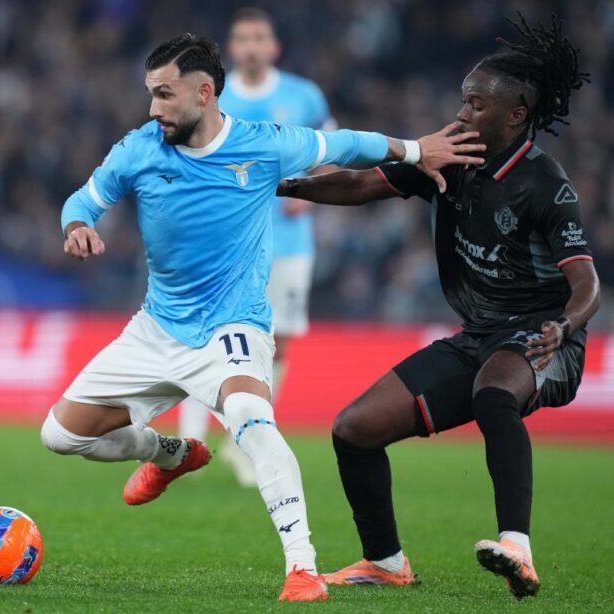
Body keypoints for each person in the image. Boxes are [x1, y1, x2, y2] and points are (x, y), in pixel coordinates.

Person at [40, 32, 484, 602]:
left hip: (233, 326)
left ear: (204, 93)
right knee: (59, 434)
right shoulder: (139, 148)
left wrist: (417, 151)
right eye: (150, 94)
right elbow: (84, 199)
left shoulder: (263, 144)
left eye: (164, 95)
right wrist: (77, 226)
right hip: (156, 327)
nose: (153, 108)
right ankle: (169, 453)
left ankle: (302, 568)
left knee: (251, 413)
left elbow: (346, 145)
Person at [276, 14, 599, 600]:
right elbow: (357, 186)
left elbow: (587, 286)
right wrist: (280, 184)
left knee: (494, 393)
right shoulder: (448, 158)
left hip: (543, 339)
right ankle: (385, 560)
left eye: (476, 105)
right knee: (353, 429)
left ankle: (518, 549)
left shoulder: (545, 184)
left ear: (515, 115)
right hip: (479, 334)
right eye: (463, 100)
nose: (462, 113)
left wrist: (563, 328)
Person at [178, 7, 336, 487]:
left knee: (278, 342)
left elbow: (333, 152)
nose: (250, 45)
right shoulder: (212, 97)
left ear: (273, 47)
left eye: (259, 37)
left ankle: (243, 438)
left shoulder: (303, 96)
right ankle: (189, 442)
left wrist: (310, 193)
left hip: (287, 244)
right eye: (242, 38)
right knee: (203, 335)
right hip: (224, 245)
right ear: (231, 48)